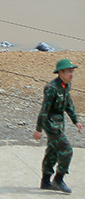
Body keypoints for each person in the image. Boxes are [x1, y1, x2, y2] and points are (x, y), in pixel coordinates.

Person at [34, 58, 81, 193]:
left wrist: (75, 120)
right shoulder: (51, 88)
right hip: (51, 126)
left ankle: (45, 181)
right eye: (69, 71)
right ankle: (58, 179)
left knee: (52, 152)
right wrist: (38, 129)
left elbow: (68, 104)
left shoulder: (66, 86)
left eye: (72, 71)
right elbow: (44, 110)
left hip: (59, 124)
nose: (71, 74)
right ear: (60, 72)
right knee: (67, 151)